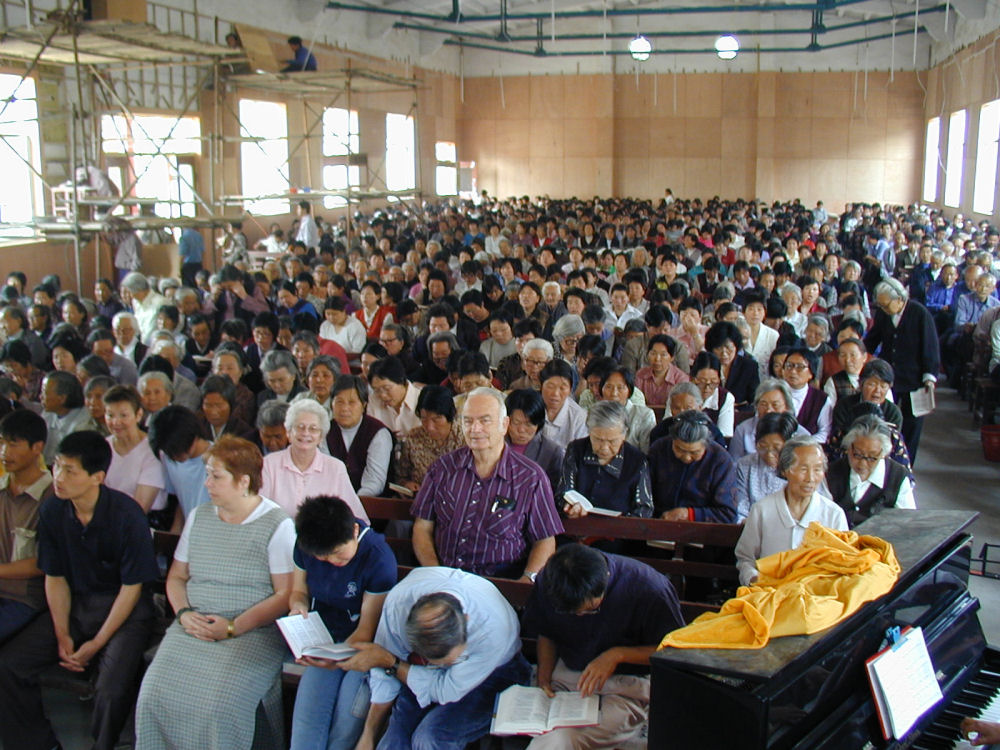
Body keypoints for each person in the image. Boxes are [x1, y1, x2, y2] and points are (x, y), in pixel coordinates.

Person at [0, 431, 158, 750]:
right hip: (75, 607)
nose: (58, 477)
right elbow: (55, 578)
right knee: (10, 665)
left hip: (124, 612)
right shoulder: (54, 511)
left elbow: (132, 588)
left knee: (111, 690)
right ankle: (38, 743)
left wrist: (97, 643)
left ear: (97, 477)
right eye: (57, 466)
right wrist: (62, 634)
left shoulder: (127, 515)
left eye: (70, 470)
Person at [135, 436, 295, 749]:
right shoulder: (199, 516)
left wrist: (234, 626)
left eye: (215, 476)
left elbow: (284, 595)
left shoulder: (278, 524)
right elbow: (177, 577)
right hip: (193, 626)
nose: (207, 483)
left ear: (243, 481)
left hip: (250, 632)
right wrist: (183, 613)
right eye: (207, 474)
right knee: (152, 695)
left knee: (217, 707)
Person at [521, 544, 684, 750]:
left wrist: (618, 655)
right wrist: (544, 679)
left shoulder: (649, 588)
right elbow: (546, 632)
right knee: (539, 725)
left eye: (590, 610)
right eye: (572, 613)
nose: (580, 616)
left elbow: (674, 651)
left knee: (560, 739)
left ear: (606, 579)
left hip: (626, 687)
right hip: (568, 677)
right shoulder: (550, 581)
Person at [351, 566, 531, 750]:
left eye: (451, 659)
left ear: (466, 621)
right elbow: (384, 673)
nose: (448, 664)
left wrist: (392, 662)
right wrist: (368, 736)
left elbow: (445, 690)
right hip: (421, 672)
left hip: (496, 671)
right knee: (393, 744)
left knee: (430, 739)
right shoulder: (399, 606)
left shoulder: (491, 630)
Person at [411, 387, 564, 579]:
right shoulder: (442, 469)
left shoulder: (531, 478)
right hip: (443, 578)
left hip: (500, 584)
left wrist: (526, 581)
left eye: (485, 420)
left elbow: (545, 540)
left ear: (504, 424)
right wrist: (435, 572)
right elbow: (422, 527)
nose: (475, 429)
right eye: (468, 421)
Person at [288, 495, 397, 750]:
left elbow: (365, 631)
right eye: (324, 559)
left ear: (355, 530)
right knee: (306, 728)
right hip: (324, 639)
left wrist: (328, 657)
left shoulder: (378, 559)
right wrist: (298, 608)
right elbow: (298, 592)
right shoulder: (308, 544)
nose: (333, 562)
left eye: (337, 554)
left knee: (345, 728)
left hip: (363, 648)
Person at [735, 436, 848, 586]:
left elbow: (844, 564)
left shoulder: (834, 514)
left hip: (815, 598)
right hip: (769, 593)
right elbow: (745, 558)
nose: (811, 478)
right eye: (803, 469)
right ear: (785, 471)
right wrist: (755, 579)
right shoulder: (762, 510)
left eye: (817, 469)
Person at [864, 278, 940, 463]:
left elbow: (930, 346)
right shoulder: (884, 314)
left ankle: (906, 465)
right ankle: (882, 459)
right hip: (889, 378)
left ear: (899, 299)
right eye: (880, 305)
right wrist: (859, 353)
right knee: (883, 418)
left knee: (912, 425)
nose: (883, 308)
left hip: (914, 378)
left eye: (886, 304)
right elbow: (872, 340)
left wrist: (929, 377)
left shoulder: (919, 313)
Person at [261, 398, 367, 521]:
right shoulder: (269, 464)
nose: (306, 433)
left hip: (321, 538)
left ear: (321, 437)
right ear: (289, 433)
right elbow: (259, 512)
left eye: (313, 429)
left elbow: (356, 517)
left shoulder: (335, 468)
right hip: (278, 538)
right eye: (300, 427)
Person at [0, 409, 51, 643]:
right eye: (1, 443)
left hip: (22, 599)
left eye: (13, 445)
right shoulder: (2, 488)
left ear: (37, 448)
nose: (4, 452)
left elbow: (43, 563)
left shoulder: (52, 497)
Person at [559, 401, 653, 518]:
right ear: (589, 432)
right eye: (597, 439)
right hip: (579, 527)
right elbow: (563, 492)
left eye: (612, 441)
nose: (604, 448)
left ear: (625, 434)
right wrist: (570, 506)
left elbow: (644, 508)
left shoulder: (637, 461)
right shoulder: (576, 450)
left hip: (619, 532)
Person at [825, 415, 915, 528]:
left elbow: (907, 522)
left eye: (872, 458)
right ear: (848, 448)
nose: (862, 464)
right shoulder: (832, 472)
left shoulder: (897, 477)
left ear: (884, 454)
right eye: (857, 455)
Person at [648, 410, 738, 522]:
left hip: (702, 530)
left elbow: (728, 514)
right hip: (659, 522)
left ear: (706, 445)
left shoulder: (720, 460)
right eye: (679, 449)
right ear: (672, 440)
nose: (686, 457)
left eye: (694, 452)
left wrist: (689, 514)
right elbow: (645, 495)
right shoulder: (659, 449)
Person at [103, 385, 168, 519]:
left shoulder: (152, 451)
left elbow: (139, 508)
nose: (115, 422)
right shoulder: (102, 446)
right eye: (110, 415)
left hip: (143, 520)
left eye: (123, 415)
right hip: (106, 517)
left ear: (138, 415)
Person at [147, 405, 212, 529]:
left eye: (176, 451)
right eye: (169, 452)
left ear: (193, 436)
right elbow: (182, 500)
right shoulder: (168, 459)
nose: (174, 457)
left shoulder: (218, 460)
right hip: (190, 533)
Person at [327, 375, 393, 497]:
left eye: (352, 402)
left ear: (363, 405)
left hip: (369, 505)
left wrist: (354, 505)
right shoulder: (324, 430)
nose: (345, 408)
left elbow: (374, 482)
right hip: (330, 502)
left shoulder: (378, 433)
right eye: (339, 402)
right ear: (331, 404)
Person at [397, 385, 465, 493]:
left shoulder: (465, 440)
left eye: (436, 419)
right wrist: (407, 484)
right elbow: (401, 476)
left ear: (450, 415)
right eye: (423, 418)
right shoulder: (414, 437)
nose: (429, 426)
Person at [733, 412, 799, 522]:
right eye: (762, 447)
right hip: (752, 527)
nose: (769, 454)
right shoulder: (744, 465)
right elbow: (741, 509)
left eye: (777, 449)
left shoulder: (798, 467)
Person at [504, 388, 564, 494]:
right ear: (506, 420)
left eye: (528, 424)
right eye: (516, 422)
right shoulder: (494, 444)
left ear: (539, 424)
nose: (521, 430)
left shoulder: (551, 452)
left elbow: (552, 494)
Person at [41, 370, 97, 465]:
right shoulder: (47, 413)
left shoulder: (84, 422)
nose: (40, 397)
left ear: (62, 398)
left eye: (45, 393)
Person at [780, 346, 833, 442]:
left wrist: (802, 443)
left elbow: (825, 432)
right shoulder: (773, 393)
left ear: (811, 373)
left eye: (800, 367)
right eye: (789, 365)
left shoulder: (821, 399)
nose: (793, 371)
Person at [599, 364, 656, 453]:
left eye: (620, 388)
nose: (614, 393)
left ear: (629, 390)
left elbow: (647, 453)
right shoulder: (596, 414)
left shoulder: (644, 415)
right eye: (609, 387)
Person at [367, 357, 422, 437]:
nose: (383, 395)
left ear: (401, 380)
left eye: (387, 388)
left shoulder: (421, 399)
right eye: (377, 390)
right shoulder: (373, 399)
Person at [540, 359, 588, 446]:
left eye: (562, 388)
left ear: (570, 390)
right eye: (550, 387)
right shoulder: (531, 406)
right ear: (541, 386)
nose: (555, 393)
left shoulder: (578, 417)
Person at [634, 334, 688, 408]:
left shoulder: (680, 379)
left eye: (663, 355)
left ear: (672, 357)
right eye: (653, 354)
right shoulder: (640, 375)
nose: (657, 359)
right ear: (647, 354)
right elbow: (636, 403)